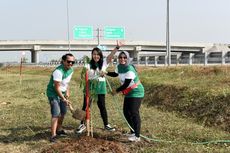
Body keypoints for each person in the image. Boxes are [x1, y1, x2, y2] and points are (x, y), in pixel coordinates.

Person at [76, 41, 123, 134]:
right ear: (92, 55)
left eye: (98, 54)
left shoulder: (104, 63)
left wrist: (117, 47)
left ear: (100, 55)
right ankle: (82, 124)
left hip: (101, 87)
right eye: (94, 54)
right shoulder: (88, 65)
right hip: (90, 87)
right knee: (85, 106)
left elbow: (110, 56)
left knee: (102, 106)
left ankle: (106, 125)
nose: (96, 56)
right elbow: (84, 76)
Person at [106, 50, 144, 142]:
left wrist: (116, 91)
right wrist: (106, 73)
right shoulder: (119, 66)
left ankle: (137, 136)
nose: (122, 59)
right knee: (126, 112)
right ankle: (132, 131)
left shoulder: (129, 69)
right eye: (120, 57)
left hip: (136, 92)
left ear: (128, 59)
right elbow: (115, 74)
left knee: (134, 112)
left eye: (124, 57)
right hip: (128, 93)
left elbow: (126, 84)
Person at [46, 53, 75, 142]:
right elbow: (56, 87)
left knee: (63, 112)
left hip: (62, 92)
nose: (70, 64)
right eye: (68, 61)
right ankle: (53, 135)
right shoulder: (58, 71)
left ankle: (59, 129)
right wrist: (63, 98)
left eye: (73, 62)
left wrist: (67, 93)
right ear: (63, 61)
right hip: (53, 93)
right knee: (56, 112)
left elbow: (66, 83)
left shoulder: (71, 70)